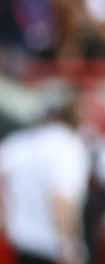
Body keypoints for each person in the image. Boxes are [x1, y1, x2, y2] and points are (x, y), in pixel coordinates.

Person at [0, 87, 89, 264]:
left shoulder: (17, 143)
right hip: (49, 248)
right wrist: (68, 246)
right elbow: (62, 199)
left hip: (15, 245)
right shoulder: (68, 145)